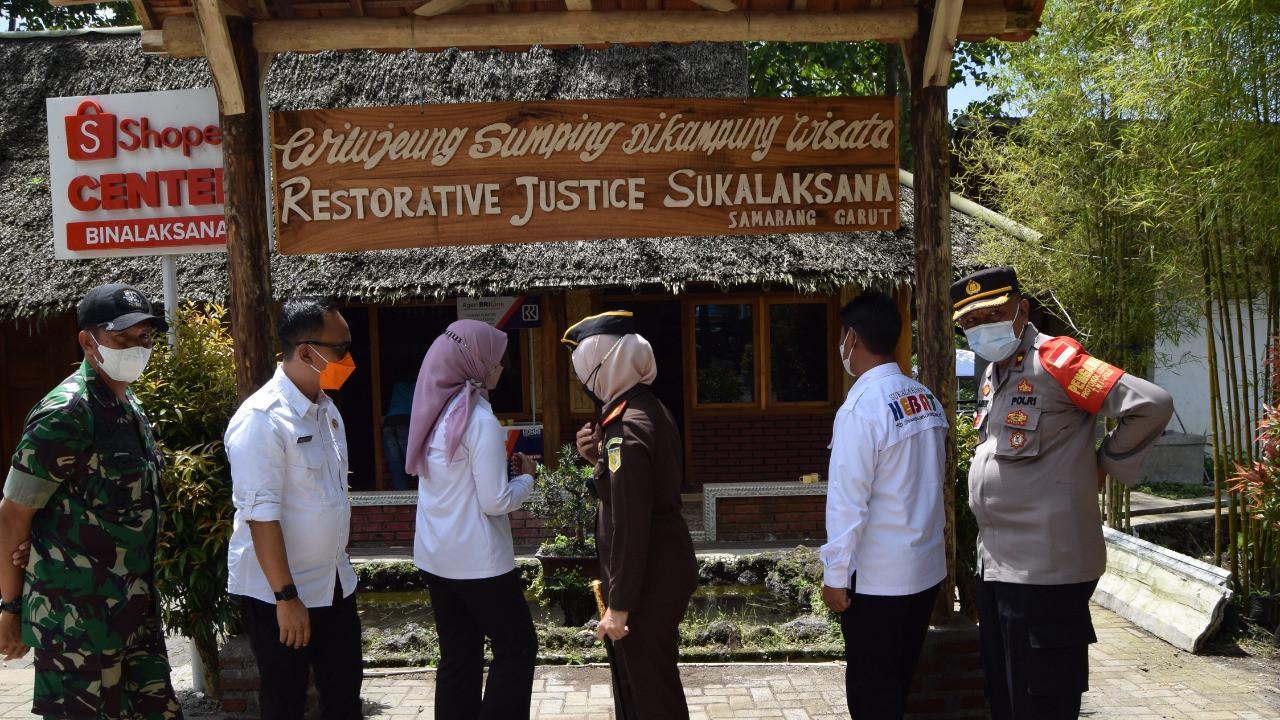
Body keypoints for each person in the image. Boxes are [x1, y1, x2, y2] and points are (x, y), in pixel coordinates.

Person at [954, 267, 1174, 720]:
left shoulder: (1058, 360)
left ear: (1021, 309)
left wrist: (1104, 465)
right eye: (970, 323)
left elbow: (1151, 405)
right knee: (1007, 699)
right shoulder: (995, 374)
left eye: (992, 314)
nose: (982, 328)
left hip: (1046, 570)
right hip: (998, 568)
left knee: (1042, 702)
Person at [0, 282, 182, 718]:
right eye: (122, 336)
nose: (137, 347)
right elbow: (14, 513)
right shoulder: (68, 412)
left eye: (144, 337)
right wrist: (10, 609)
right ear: (88, 340)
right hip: (77, 625)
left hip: (134, 613)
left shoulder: (128, 405)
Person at [224, 297, 362, 720]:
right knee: (285, 701)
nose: (349, 359)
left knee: (344, 697)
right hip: (280, 594)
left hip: (334, 583)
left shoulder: (326, 408)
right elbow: (261, 516)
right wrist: (286, 598)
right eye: (340, 349)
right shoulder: (261, 419)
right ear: (306, 352)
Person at [819, 290, 947, 720]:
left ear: (852, 338)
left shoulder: (860, 408)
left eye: (842, 336)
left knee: (873, 694)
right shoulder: (924, 399)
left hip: (878, 582)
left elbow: (847, 502)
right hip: (925, 570)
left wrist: (835, 574)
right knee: (898, 683)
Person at [564, 310, 697, 720]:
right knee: (643, 683)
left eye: (585, 371)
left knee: (649, 691)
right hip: (658, 568)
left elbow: (631, 522)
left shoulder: (627, 426)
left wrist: (619, 604)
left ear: (604, 366)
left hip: (647, 577)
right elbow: (633, 493)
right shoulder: (644, 408)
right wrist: (597, 460)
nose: (585, 383)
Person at [406, 319, 538, 719]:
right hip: (480, 563)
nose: (500, 369)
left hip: (436, 557)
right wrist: (528, 478)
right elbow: (495, 500)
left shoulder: (435, 411)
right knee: (517, 649)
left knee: (459, 658)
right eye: (495, 361)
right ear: (474, 362)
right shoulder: (478, 420)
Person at [382, 377, 416, 490]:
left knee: (395, 464)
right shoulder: (417, 384)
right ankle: (419, 496)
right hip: (404, 421)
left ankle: (401, 496)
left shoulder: (397, 385)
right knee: (411, 462)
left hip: (389, 422)